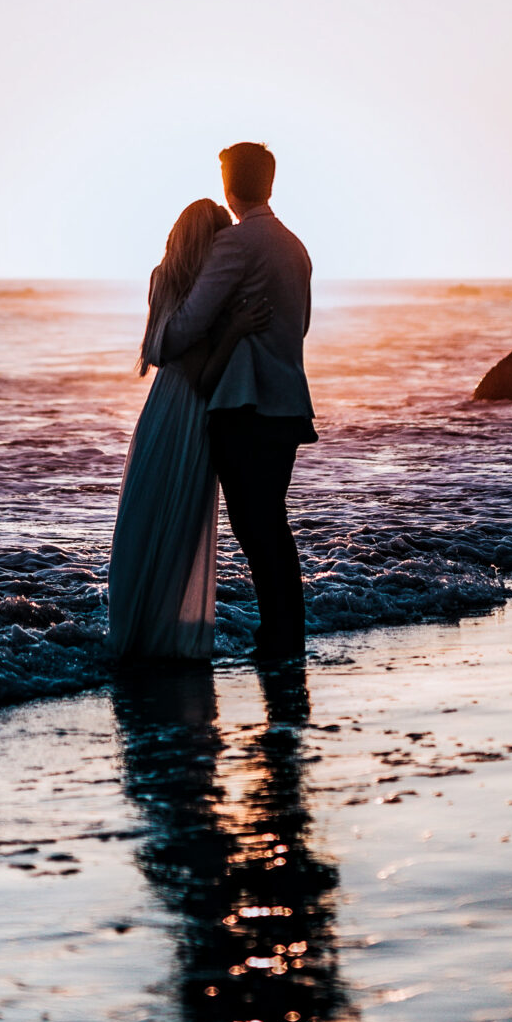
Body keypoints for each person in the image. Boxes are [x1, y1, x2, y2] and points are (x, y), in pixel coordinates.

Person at [159, 142, 315, 661]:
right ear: (269, 184)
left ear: (229, 187)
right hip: (289, 404)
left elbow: (186, 326)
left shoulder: (237, 244)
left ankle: (279, 639)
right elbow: (303, 327)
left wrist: (172, 329)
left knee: (255, 527)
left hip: (244, 407)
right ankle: (285, 634)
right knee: (271, 522)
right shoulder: (296, 248)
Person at [108, 198, 268, 658]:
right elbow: (203, 377)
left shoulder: (162, 278)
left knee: (143, 523)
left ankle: (134, 633)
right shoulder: (199, 295)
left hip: (160, 409)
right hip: (190, 416)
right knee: (177, 527)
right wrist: (235, 328)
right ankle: (161, 640)